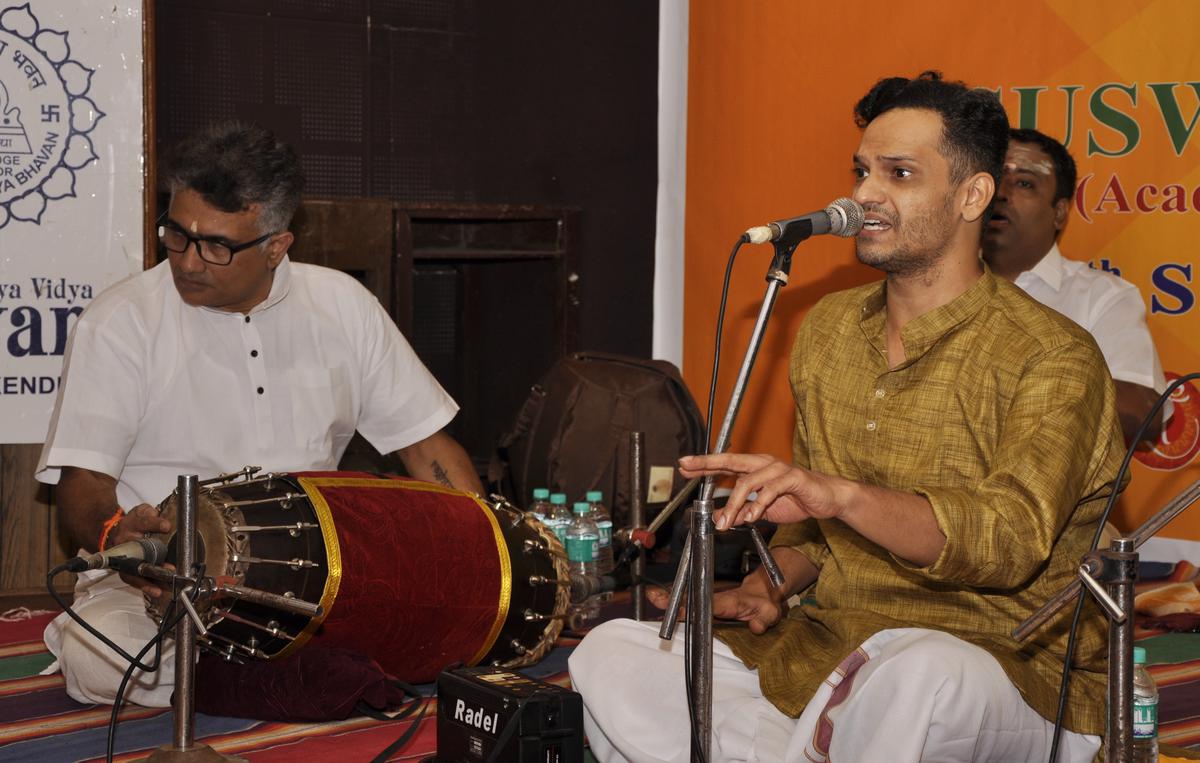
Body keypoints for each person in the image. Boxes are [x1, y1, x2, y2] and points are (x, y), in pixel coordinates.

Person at [569, 73, 1124, 762]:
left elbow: (1008, 539)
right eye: (862, 170)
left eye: (899, 173)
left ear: (973, 195)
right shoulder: (828, 328)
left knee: (916, 675)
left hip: (1001, 665)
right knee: (617, 652)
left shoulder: (1054, 355)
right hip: (830, 648)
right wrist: (774, 581)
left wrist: (843, 494)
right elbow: (818, 526)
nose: (863, 194)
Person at [36, 122, 483, 707]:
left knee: (452, 621)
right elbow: (82, 482)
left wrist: (487, 550)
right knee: (105, 657)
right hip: (168, 589)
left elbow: (426, 449)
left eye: (217, 246)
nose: (189, 261)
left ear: (277, 244)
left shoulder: (342, 306)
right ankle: (306, 678)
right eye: (176, 234)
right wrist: (116, 536)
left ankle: (268, 679)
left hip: (325, 580)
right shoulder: (121, 322)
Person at [982, 127, 1167, 443]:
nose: (1001, 193)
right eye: (993, 180)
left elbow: (1143, 415)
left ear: (1059, 213)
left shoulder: (1101, 296)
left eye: (1024, 183)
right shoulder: (930, 286)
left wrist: (1010, 379)